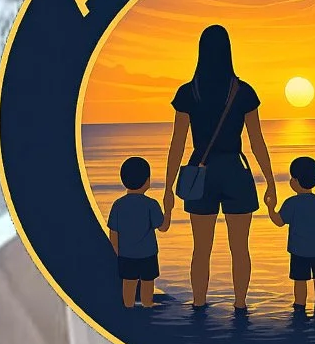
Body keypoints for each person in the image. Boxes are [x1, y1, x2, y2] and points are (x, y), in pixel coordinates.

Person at [161, 21, 276, 314]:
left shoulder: (189, 92)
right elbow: (256, 141)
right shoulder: (243, 91)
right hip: (235, 171)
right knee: (240, 248)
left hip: (200, 172)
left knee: (201, 249)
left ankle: (199, 304)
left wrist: (168, 188)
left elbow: (177, 143)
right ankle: (240, 306)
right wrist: (271, 182)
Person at [272, 154, 315, 317]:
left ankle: (300, 306)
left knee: (300, 281)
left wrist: (271, 208)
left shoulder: (291, 203)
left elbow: (279, 221)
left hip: (298, 251)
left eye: (292, 178)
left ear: (296, 181)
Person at [105, 156, 167, 310]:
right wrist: (169, 211)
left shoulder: (118, 205)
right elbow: (162, 227)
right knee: (147, 281)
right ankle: (147, 303)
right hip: (148, 253)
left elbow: (113, 232)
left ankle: (128, 305)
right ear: (147, 181)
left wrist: (117, 252)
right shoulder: (151, 204)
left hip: (126, 254)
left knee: (128, 282)